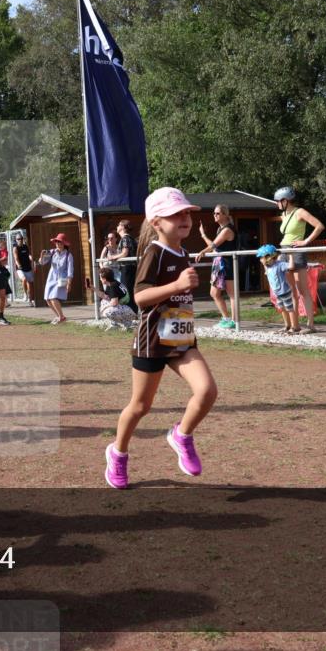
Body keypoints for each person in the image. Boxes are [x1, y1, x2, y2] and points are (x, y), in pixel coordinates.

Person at [105, 188, 216, 489]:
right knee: (140, 406)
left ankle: (182, 435)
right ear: (156, 222)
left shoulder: (183, 252)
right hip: (152, 341)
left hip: (181, 339)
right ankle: (118, 453)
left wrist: (181, 288)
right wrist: (177, 285)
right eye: (175, 214)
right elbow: (140, 297)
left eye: (186, 212)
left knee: (206, 391)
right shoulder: (154, 252)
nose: (184, 218)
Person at [274, 186, 324, 334]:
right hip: (284, 251)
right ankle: (294, 325)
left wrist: (305, 241)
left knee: (303, 290)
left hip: (296, 251)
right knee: (290, 291)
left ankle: (311, 325)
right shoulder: (285, 214)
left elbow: (319, 226)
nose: (276, 204)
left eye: (278, 201)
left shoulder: (300, 212)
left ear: (285, 201)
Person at [195, 204, 239, 329]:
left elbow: (213, 246)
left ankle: (234, 322)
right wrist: (203, 235)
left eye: (218, 213)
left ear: (225, 215)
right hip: (219, 264)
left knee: (232, 294)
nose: (215, 215)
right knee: (214, 293)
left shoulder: (227, 230)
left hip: (228, 264)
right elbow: (215, 247)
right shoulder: (220, 229)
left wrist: (202, 251)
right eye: (214, 213)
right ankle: (226, 319)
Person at [257, 244, 300, 334]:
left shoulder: (280, 264)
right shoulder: (268, 267)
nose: (260, 260)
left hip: (285, 292)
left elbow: (291, 267)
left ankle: (294, 327)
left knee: (289, 309)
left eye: (261, 258)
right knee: (282, 308)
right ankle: (287, 325)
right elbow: (266, 271)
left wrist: (290, 255)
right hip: (277, 293)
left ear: (269, 258)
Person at [41, 233, 74, 325]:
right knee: (47, 299)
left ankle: (61, 317)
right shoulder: (52, 252)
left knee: (53, 298)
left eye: (59, 242)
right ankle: (59, 317)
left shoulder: (68, 255)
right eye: (56, 241)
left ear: (64, 243)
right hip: (51, 277)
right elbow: (42, 262)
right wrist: (42, 256)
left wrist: (69, 283)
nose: (57, 243)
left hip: (61, 279)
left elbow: (70, 271)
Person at [109, 220, 137, 307]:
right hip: (129, 268)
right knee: (129, 290)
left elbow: (125, 253)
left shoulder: (125, 238)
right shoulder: (129, 238)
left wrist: (113, 257)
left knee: (127, 290)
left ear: (123, 227)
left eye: (118, 225)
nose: (117, 226)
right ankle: (132, 310)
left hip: (127, 268)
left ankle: (130, 310)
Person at [13, 233, 35, 307]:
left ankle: (30, 300)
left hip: (28, 267)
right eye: (18, 239)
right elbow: (16, 258)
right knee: (24, 279)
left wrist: (31, 258)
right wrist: (18, 265)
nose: (20, 240)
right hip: (20, 268)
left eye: (21, 239)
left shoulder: (25, 246)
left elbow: (29, 255)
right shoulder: (15, 248)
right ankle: (25, 294)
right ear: (16, 240)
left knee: (30, 284)